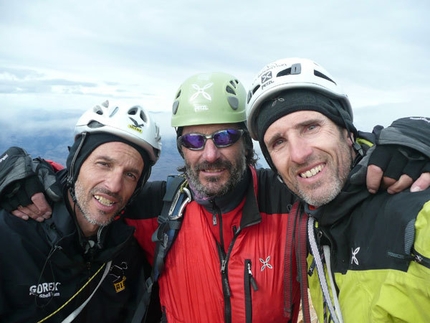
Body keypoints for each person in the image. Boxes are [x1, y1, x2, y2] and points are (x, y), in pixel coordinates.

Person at [2, 72, 430, 323]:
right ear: (181, 148)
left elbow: (342, 175)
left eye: (224, 137)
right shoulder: (156, 208)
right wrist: (24, 172)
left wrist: (402, 145)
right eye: (193, 140)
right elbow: (84, 190)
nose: (210, 154)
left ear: (246, 144)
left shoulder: (292, 202)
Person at [246, 57, 430, 322]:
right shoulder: (318, 231)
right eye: (278, 142)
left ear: (347, 131)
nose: (298, 154)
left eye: (310, 127)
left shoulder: (418, 211)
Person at [0, 101, 162, 322]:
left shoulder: (127, 251)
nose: (114, 186)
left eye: (130, 175)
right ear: (76, 163)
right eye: (104, 164)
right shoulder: (10, 235)